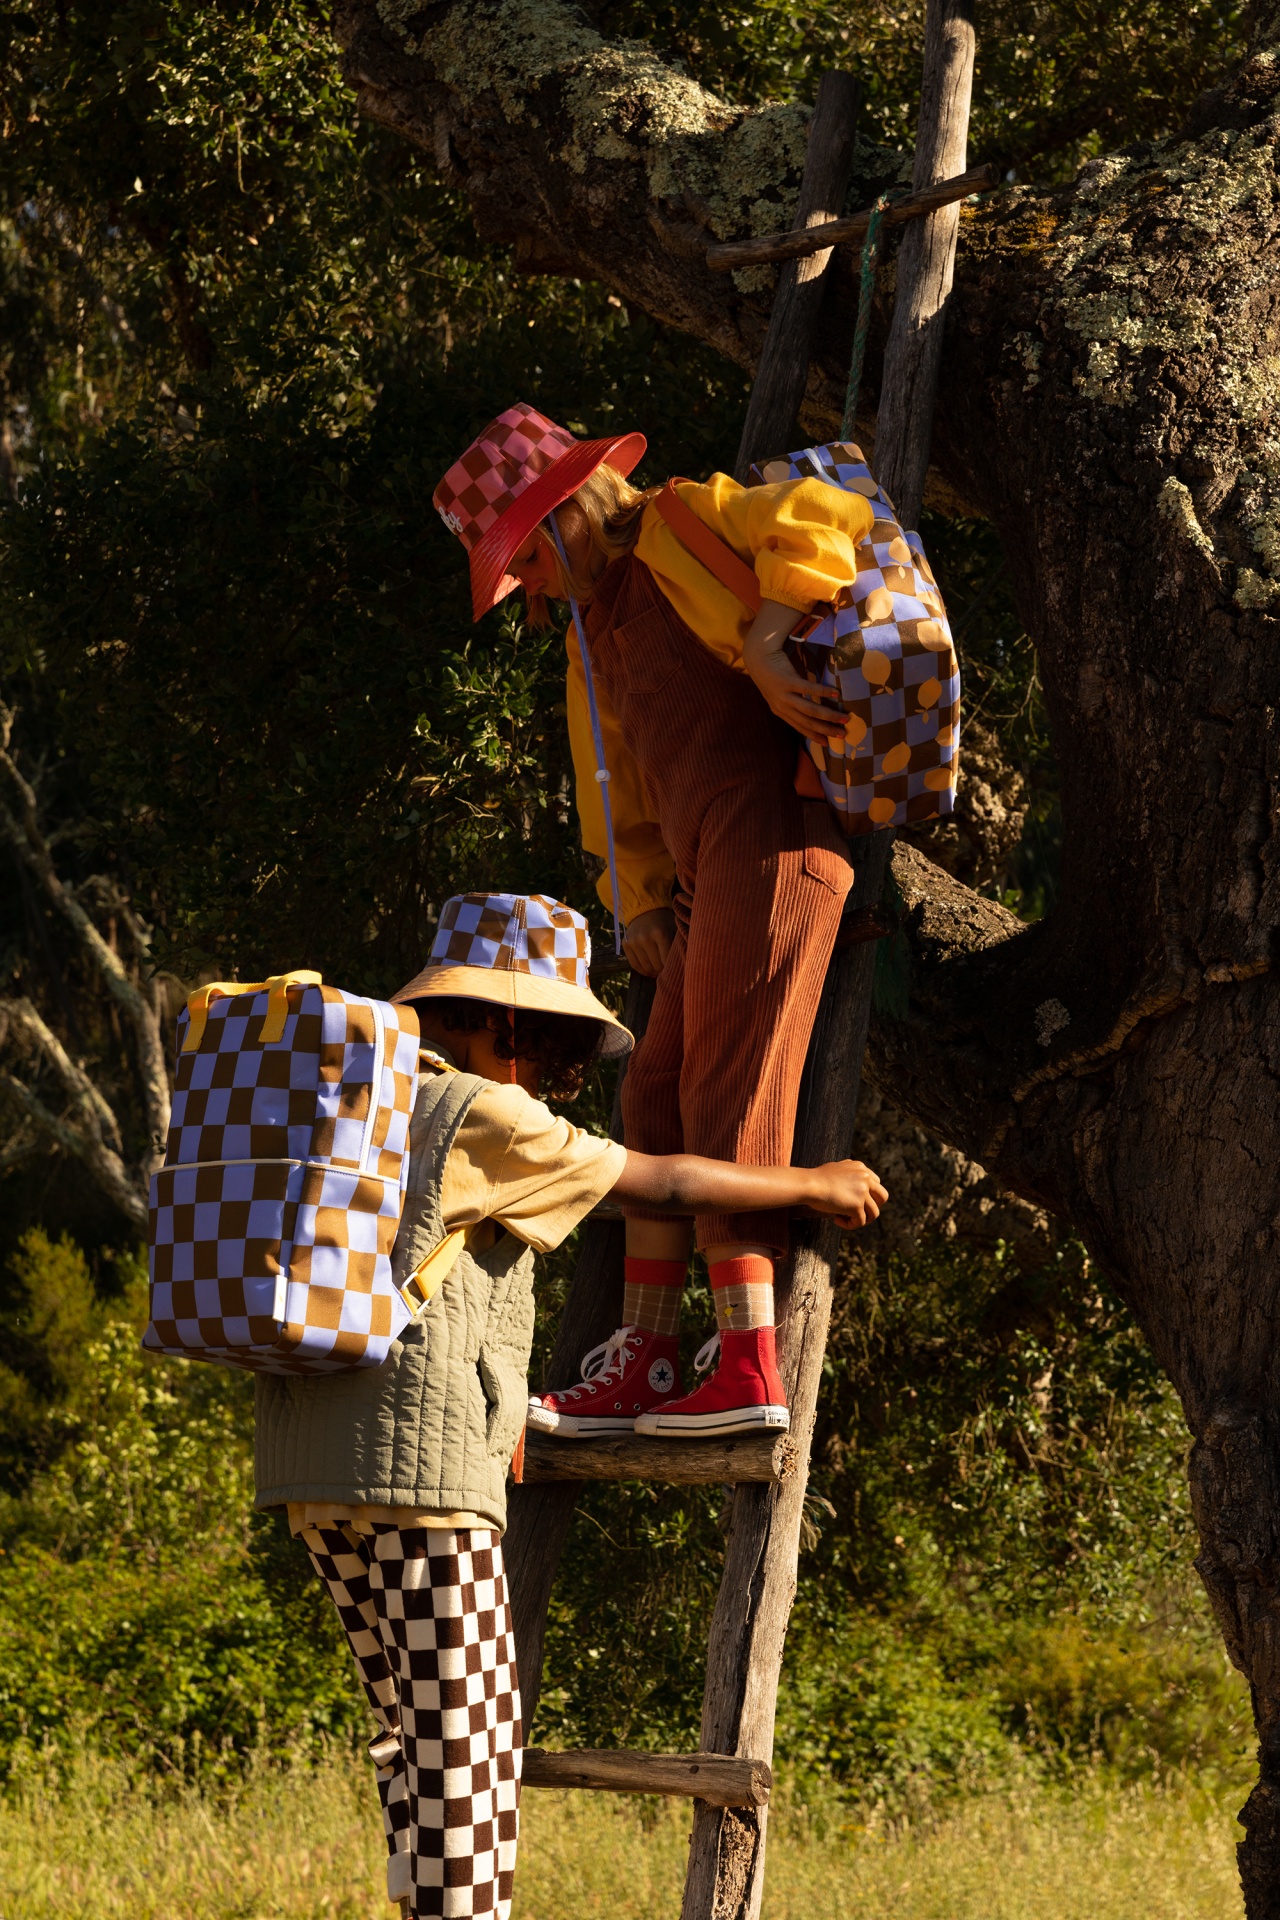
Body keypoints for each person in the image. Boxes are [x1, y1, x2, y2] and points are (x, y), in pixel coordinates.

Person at [253, 890, 886, 1920]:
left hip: (310, 1469)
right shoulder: (478, 1111)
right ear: (504, 1021)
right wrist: (808, 1188)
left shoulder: (359, 1092)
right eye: (550, 1052)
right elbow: (660, 1184)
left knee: (415, 1741)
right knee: (471, 1750)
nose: (551, 1081)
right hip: (417, 1481)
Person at [433, 405, 878, 1439]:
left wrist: (769, 637)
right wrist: (636, 898)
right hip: (705, 872)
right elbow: (615, 776)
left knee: (730, 1086)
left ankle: (747, 1365)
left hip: (775, 844)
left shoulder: (677, 522)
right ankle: (643, 1355)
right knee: (652, 1091)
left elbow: (822, 509)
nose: (527, 589)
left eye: (521, 563)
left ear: (555, 521)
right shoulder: (591, 627)